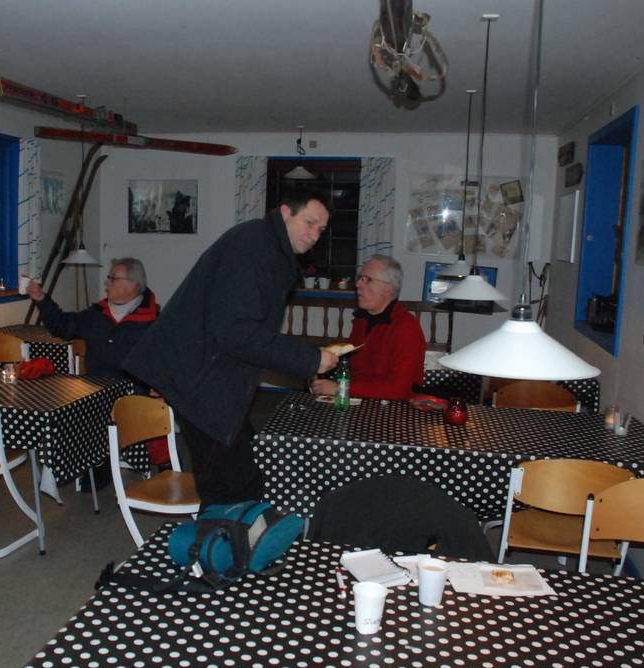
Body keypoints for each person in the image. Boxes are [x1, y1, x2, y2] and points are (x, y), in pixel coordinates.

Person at [123, 188, 340, 506]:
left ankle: (227, 532)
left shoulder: (264, 244)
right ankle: (219, 535)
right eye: (309, 223)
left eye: (321, 229)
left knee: (241, 472)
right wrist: (310, 359)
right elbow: (238, 333)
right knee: (230, 484)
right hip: (199, 377)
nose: (314, 235)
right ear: (285, 213)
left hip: (205, 372)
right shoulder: (253, 250)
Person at [27, 257, 158, 388]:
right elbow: (61, 325)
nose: (106, 283)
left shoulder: (152, 323)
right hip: (95, 391)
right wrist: (41, 299)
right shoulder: (96, 314)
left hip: (134, 396)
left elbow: (163, 365)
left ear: (133, 284)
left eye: (113, 279)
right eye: (109, 278)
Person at [311, 255, 425, 400]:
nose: (358, 284)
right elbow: (354, 368)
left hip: (396, 409)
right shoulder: (362, 320)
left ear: (388, 289)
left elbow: (399, 390)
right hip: (358, 402)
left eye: (367, 280)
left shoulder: (406, 327)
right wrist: (319, 360)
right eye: (359, 278)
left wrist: (340, 388)